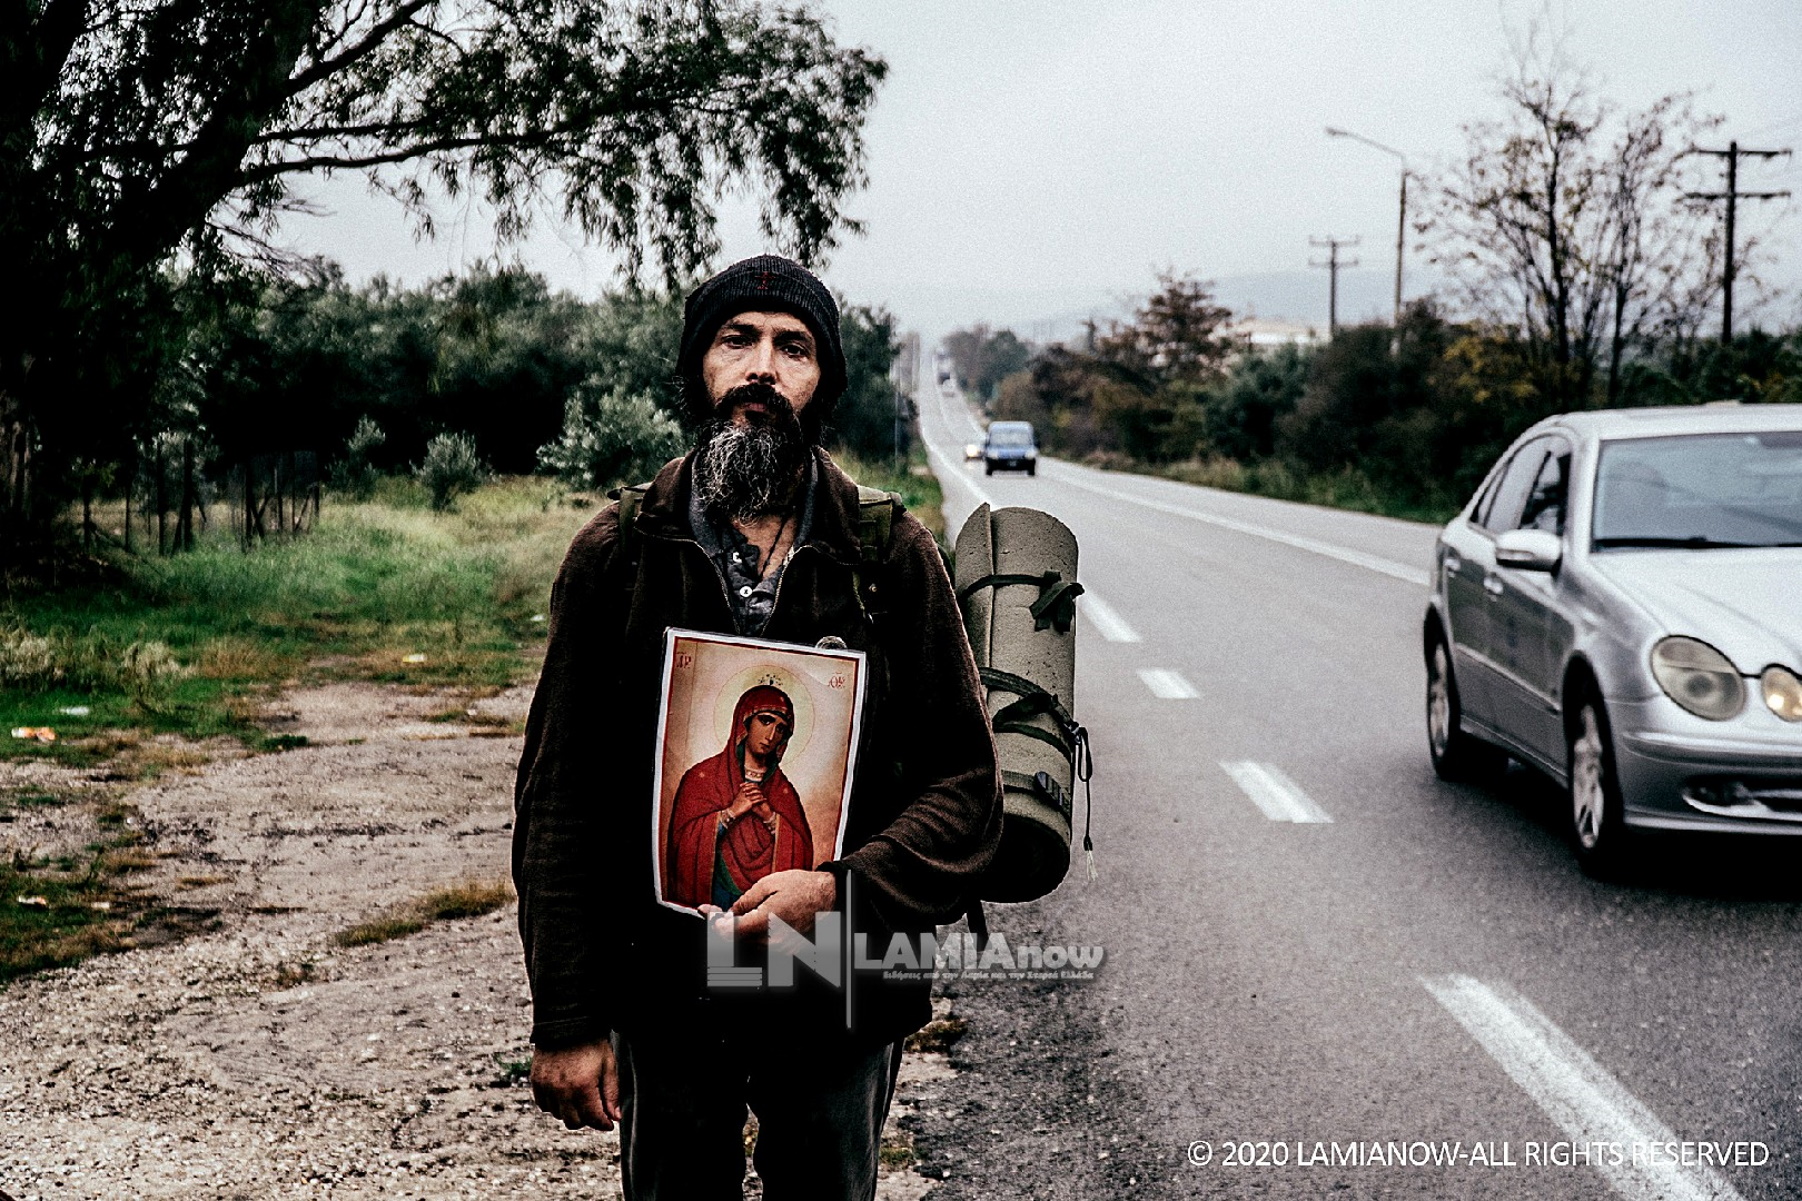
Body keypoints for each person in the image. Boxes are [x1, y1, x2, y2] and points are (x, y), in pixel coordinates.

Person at [512, 254, 1001, 1200]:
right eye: (738, 340)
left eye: (794, 346)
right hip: (666, 984)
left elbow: (966, 785)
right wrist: (568, 1016)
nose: (763, 367)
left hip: (838, 981)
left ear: (822, 381)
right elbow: (559, 798)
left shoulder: (887, 555)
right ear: (701, 364)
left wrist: (837, 887)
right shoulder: (619, 554)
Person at [665, 684, 814, 911]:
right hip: (713, 896)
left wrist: (771, 818)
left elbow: (802, 855)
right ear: (744, 723)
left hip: (761, 905)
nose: (772, 735)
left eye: (781, 729)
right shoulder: (702, 777)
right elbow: (681, 843)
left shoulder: (784, 793)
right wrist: (730, 813)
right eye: (765, 721)